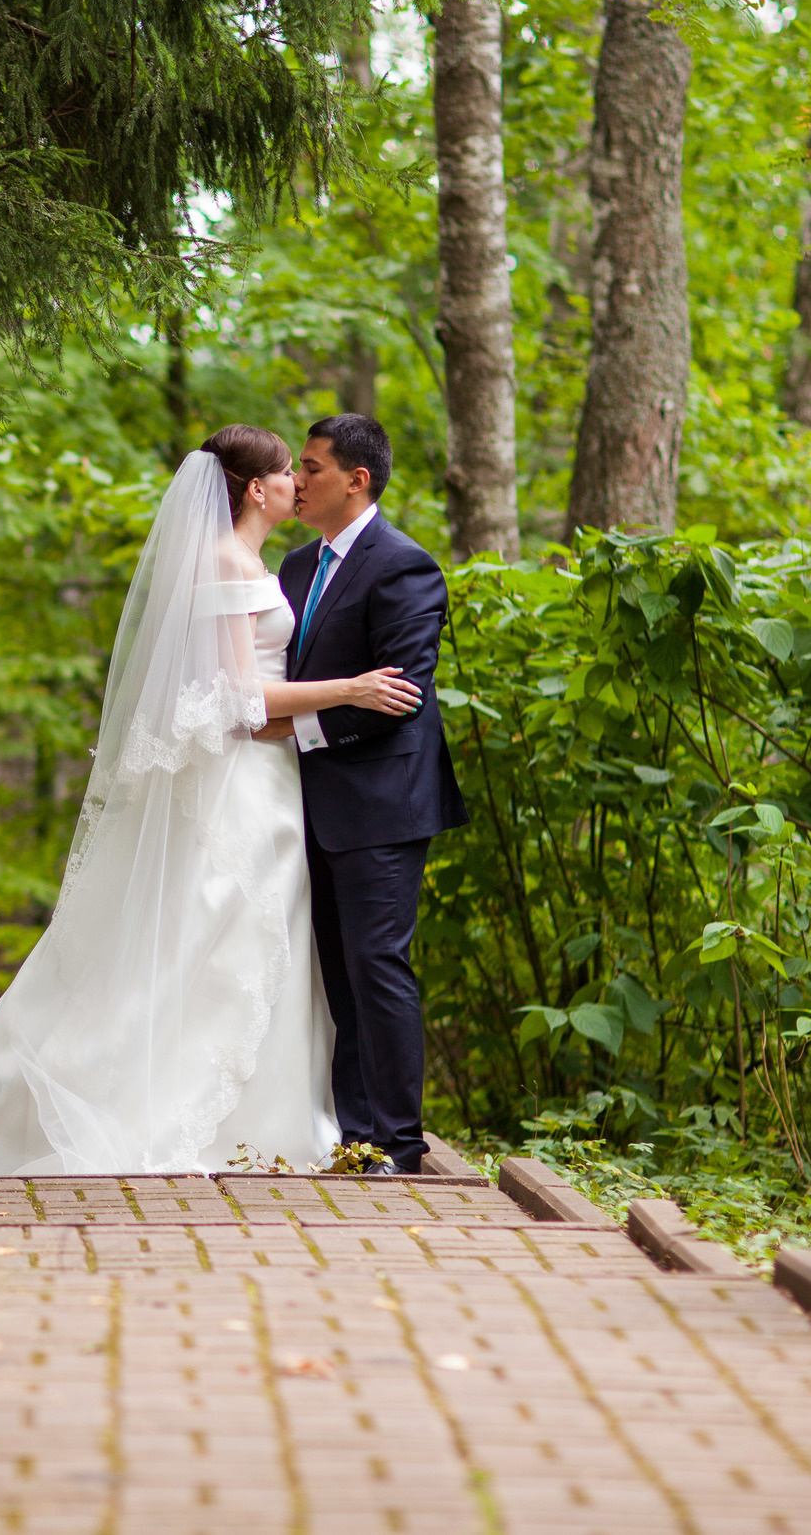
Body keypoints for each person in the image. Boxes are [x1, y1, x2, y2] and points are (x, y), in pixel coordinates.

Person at [0, 426, 422, 1176]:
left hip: (272, 776)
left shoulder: (270, 563)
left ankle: (270, 1119)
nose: (298, 483)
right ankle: (161, 1109)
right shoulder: (227, 561)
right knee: (206, 937)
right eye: (286, 471)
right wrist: (353, 688)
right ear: (254, 488)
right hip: (244, 782)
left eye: (307, 470)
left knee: (250, 943)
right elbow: (237, 696)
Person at [272, 415, 467, 1177]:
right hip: (304, 806)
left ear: (358, 480)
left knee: (377, 962)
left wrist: (300, 730)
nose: (299, 481)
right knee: (334, 970)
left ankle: (401, 1144)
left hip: (383, 802)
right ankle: (353, 1134)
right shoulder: (292, 569)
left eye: (313, 468)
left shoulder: (405, 567)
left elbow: (403, 694)